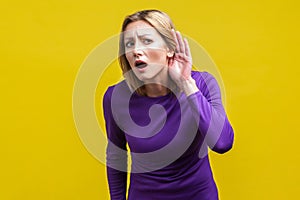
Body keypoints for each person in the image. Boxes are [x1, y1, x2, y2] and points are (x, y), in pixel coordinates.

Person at [103, 9, 234, 200]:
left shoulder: (202, 84)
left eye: (146, 41)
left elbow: (222, 143)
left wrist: (187, 84)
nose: (135, 51)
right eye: (129, 44)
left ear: (169, 49)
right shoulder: (116, 97)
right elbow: (116, 158)